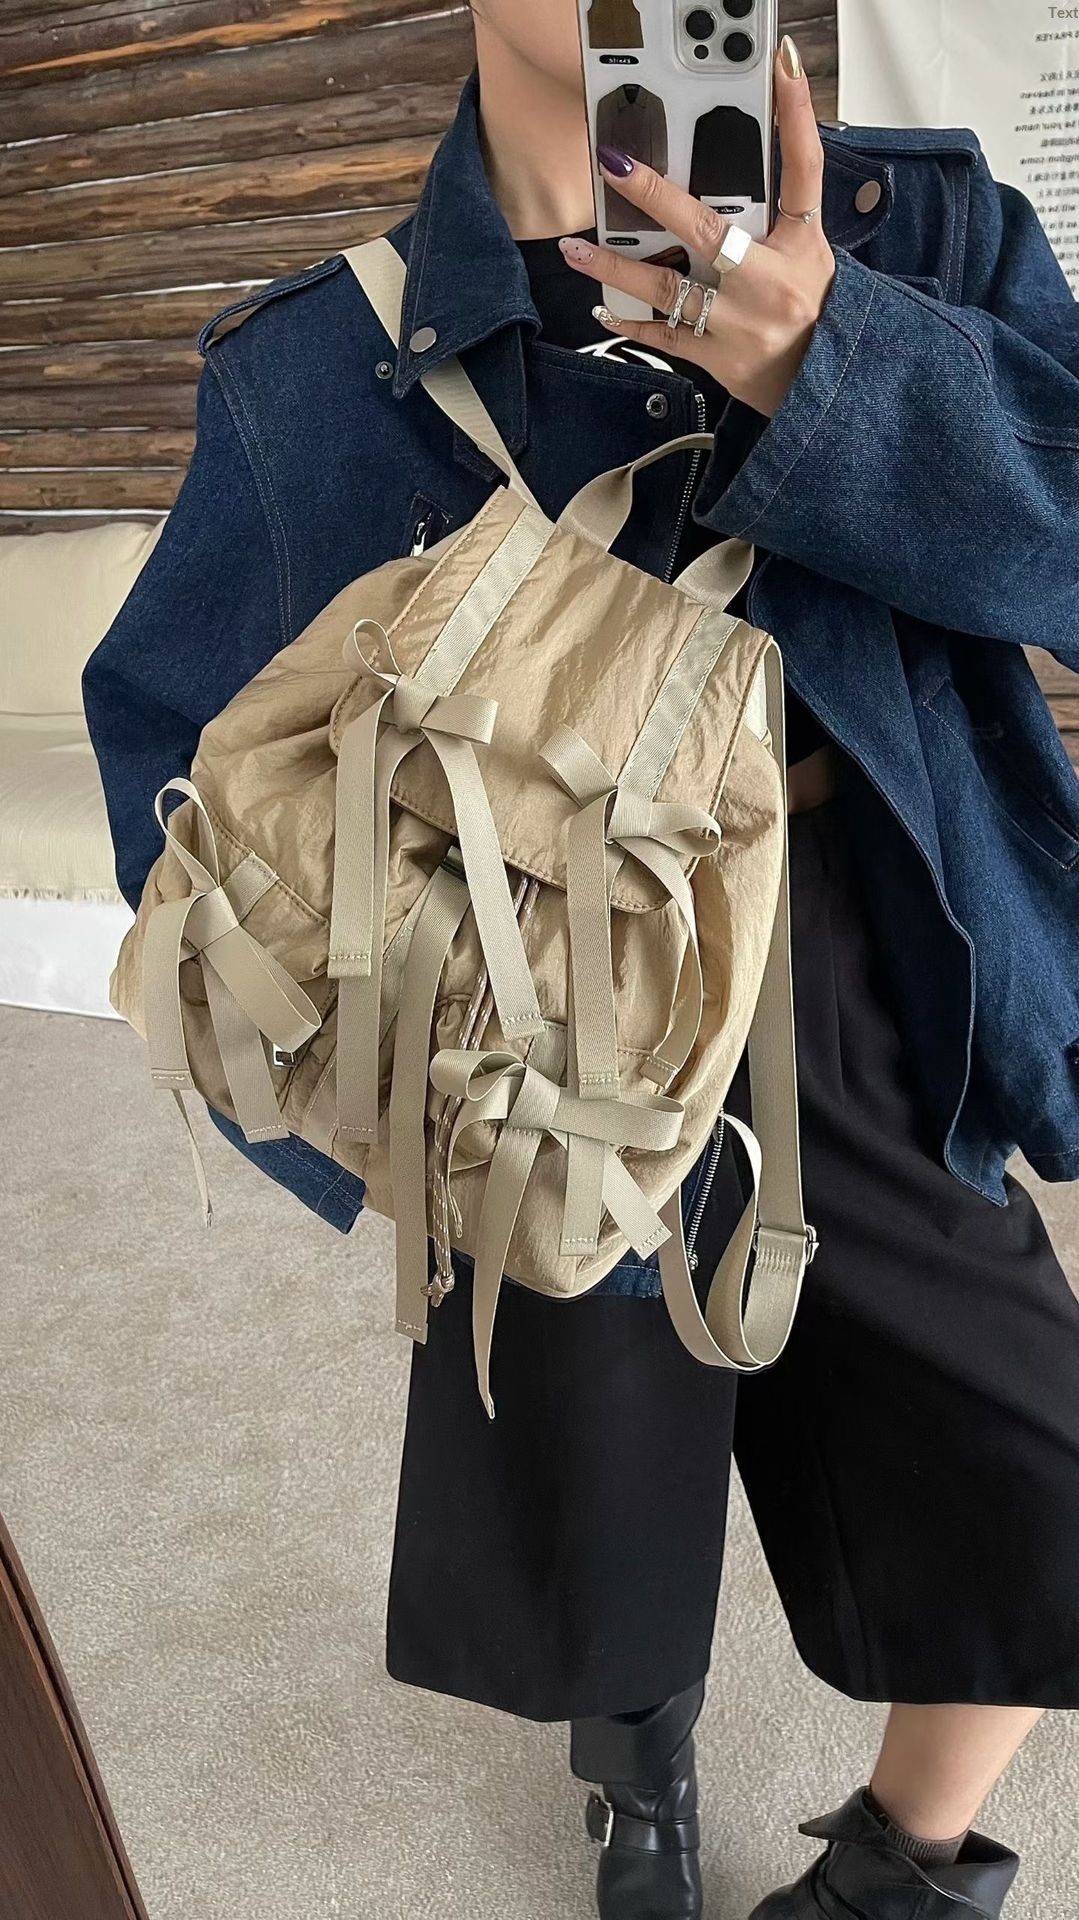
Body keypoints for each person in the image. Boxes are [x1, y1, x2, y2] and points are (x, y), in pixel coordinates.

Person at [83, 7, 1079, 1918]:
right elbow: (173, 764)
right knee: (589, 1460)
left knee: (1024, 1471)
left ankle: (908, 1866)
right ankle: (637, 1777)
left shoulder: (923, 245)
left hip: (869, 948)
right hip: (526, 1019)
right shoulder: (326, 356)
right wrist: (362, 1093)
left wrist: (837, 364)